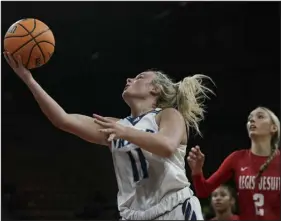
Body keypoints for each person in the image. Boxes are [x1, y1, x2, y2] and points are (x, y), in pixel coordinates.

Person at [4, 52, 215, 220]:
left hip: (175, 209)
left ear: (156, 89)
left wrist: (126, 132)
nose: (129, 79)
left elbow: (167, 146)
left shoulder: (168, 115)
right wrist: (28, 79)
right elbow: (63, 119)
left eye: (139, 77)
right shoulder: (116, 126)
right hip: (134, 215)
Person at [187, 107, 280, 220]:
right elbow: (203, 191)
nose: (252, 120)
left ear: (273, 127)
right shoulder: (236, 158)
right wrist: (197, 170)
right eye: (250, 118)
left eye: (260, 116)